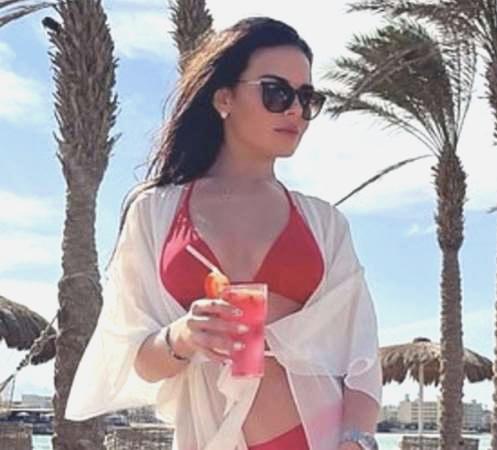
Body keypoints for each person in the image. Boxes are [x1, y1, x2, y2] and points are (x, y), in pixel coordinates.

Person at [64, 17, 382, 450]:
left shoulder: (324, 223)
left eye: (307, 98)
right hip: (208, 436)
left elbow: (360, 356)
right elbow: (134, 356)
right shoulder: (155, 213)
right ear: (224, 97)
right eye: (276, 92)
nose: (295, 110)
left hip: (318, 437)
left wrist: (356, 443)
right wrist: (183, 336)